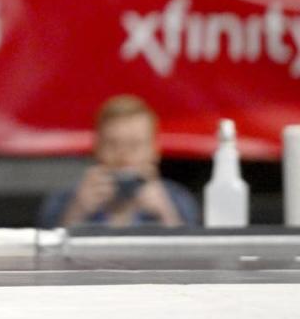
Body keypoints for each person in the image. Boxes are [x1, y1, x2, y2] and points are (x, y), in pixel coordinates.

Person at [38, 95, 200, 229]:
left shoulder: (178, 200)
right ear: (97, 149)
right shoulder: (63, 200)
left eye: (134, 145)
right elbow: (44, 259)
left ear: (154, 151)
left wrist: (166, 213)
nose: (124, 157)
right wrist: (77, 211)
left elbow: (196, 258)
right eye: (113, 144)